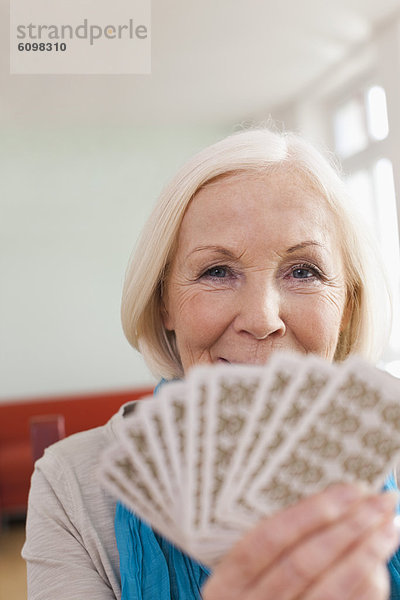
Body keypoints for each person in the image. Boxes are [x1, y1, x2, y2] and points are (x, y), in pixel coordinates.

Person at [23, 127, 400, 600]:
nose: (263, 318)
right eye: (216, 271)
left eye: (304, 271)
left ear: (347, 305)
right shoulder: (72, 483)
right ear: (164, 303)